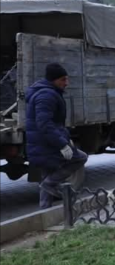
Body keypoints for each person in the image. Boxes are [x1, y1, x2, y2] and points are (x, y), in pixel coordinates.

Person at [25, 63, 88, 209]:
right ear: (53, 80)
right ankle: (49, 184)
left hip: (45, 142)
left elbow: (54, 123)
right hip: (47, 143)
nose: (66, 83)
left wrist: (65, 138)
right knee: (80, 158)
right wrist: (62, 144)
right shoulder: (47, 95)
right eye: (63, 80)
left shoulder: (47, 92)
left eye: (67, 79)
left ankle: (44, 213)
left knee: (48, 175)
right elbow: (45, 124)